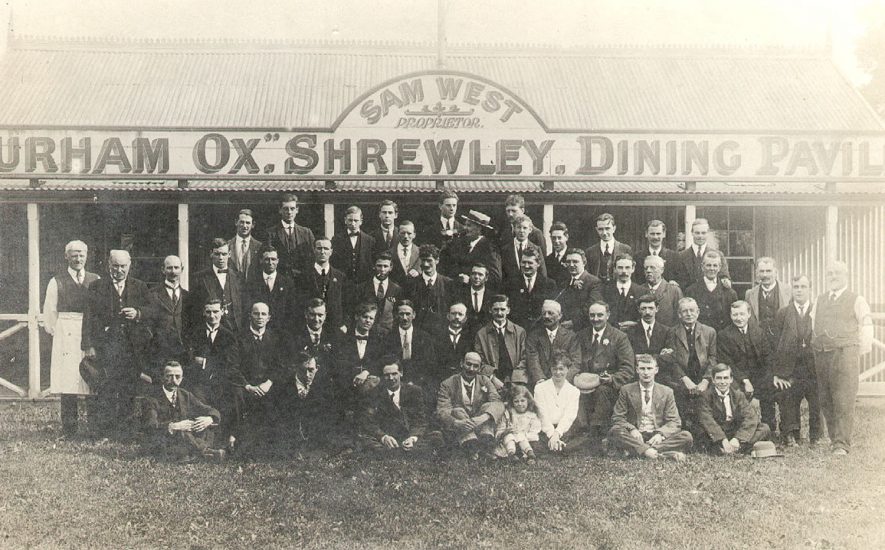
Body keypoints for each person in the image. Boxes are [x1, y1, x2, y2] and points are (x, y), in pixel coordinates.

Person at [82, 249, 152, 438]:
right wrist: (88, 345)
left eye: (123, 266)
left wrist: (138, 313)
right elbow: (88, 317)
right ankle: (105, 430)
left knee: (129, 387)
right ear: (108, 265)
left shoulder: (140, 286)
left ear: (129, 266)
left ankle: (126, 430)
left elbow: (151, 310)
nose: (119, 270)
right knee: (106, 387)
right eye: (115, 266)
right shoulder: (97, 287)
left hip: (132, 347)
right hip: (106, 346)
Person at [812, 261, 874, 455]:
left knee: (844, 399)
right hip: (822, 354)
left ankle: (842, 444)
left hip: (845, 354)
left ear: (846, 275)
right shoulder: (820, 299)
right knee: (826, 398)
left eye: (837, 273)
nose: (833, 276)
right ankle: (834, 439)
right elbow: (813, 324)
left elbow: (866, 326)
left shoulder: (857, 299)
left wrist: (855, 351)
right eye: (830, 273)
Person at [42, 240, 100, 436]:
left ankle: (94, 428)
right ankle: (69, 429)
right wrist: (57, 333)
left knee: (92, 377)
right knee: (68, 380)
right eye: (74, 255)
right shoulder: (56, 281)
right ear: (66, 256)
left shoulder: (95, 279)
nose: (78, 258)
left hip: (89, 331)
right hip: (66, 333)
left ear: (87, 256)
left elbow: (100, 311)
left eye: (81, 254)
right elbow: (50, 312)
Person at [608, 354, 693, 460]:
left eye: (649, 368)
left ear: (656, 370)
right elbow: (617, 418)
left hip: (655, 436)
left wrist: (661, 435)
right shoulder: (626, 390)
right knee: (616, 431)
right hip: (635, 436)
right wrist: (632, 429)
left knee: (686, 436)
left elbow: (674, 422)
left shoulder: (666, 392)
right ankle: (661, 453)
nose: (646, 373)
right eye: (642, 368)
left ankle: (641, 451)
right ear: (637, 370)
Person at [575, 301, 636, 448]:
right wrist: (575, 377)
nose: (595, 319)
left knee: (602, 391)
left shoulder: (619, 337)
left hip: (609, 386)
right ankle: (579, 432)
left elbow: (628, 368)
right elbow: (575, 361)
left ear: (608, 315)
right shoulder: (581, 335)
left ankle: (595, 434)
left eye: (600, 315)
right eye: (592, 315)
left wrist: (612, 379)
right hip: (585, 382)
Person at [229, 302, 283, 455]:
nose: (260, 317)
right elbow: (232, 367)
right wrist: (248, 386)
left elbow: (280, 366)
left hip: (266, 386)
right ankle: (236, 440)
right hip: (246, 386)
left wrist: (268, 383)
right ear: (249, 316)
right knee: (236, 394)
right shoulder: (239, 338)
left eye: (263, 314)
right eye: (256, 313)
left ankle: (273, 444)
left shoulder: (275, 338)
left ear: (269, 318)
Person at [772, 274, 821, 446]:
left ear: (810, 289)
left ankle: (816, 436)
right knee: (788, 398)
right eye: (796, 287)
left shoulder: (817, 311)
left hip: (812, 368)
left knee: (816, 401)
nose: (799, 290)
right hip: (790, 369)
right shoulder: (783, 313)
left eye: (803, 287)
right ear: (792, 289)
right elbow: (775, 344)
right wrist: (778, 374)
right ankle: (790, 434)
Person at [141, 361, 224, 461]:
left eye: (177, 377)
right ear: (162, 377)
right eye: (169, 376)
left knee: (203, 425)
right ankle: (205, 453)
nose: (174, 380)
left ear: (182, 378)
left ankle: (193, 454)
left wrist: (209, 418)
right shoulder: (151, 398)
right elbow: (151, 427)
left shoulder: (185, 395)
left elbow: (211, 410)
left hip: (185, 441)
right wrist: (173, 426)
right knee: (182, 433)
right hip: (165, 440)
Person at [184, 299, 239, 447]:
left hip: (221, 382)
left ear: (222, 312)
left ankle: (223, 441)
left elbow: (230, 363)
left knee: (228, 401)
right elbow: (189, 359)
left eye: (215, 311)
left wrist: (205, 362)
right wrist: (211, 363)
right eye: (208, 311)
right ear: (203, 312)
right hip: (199, 382)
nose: (212, 315)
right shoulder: (195, 333)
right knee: (197, 401)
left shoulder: (229, 335)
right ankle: (203, 441)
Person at [657, 297, 717, 429]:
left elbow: (713, 358)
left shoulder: (709, 332)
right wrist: (685, 379)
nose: (689, 314)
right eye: (684, 311)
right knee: (678, 395)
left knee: (707, 399)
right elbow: (671, 360)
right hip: (681, 377)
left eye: (692, 310)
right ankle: (683, 430)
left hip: (703, 377)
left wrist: (706, 380)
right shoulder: (672, 332)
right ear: (679, 314)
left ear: (698, 312)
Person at [717, 300, 776, 432]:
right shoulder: (724, 335)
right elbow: (728, 364)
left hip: (759, 378)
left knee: (768, 388)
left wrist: (757, 395)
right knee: (735, 394)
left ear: (749, 314)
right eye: (735, 315)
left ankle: (769, 431)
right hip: (738, 379)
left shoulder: (759, 333)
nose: (739, 318)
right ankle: (740, 430)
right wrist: (745, 380)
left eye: (742, 314)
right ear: (731, 316)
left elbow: (768, 362)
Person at [436, 351, 505, 459]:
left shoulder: (484, 381)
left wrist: (483, 417)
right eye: (468, 364)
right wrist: (457, 422)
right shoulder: (448, 383)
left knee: (488, 407)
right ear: (461, 363)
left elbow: (498, 402)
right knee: (457, 411)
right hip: (460, 425)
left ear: (480, 368)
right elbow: (442, 410)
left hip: (481, 425)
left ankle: (484, 442)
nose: (471, 369)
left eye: (475, 366)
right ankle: (472, 445)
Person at [360, 359, 437, 453]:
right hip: (387, 435)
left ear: (401, 373)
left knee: (436, 436)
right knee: (364, 439)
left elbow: (420, 419)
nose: (391, 378)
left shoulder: (414, 391)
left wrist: (413, 438)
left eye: (394, 374)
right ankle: (398, 450)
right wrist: (383, 437)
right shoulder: (374, 393)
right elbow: (369, 422)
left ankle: (405, 448)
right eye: (387, 375)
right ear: (382, 376)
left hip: (409, 434)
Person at [695, 363, 771, 454]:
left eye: (726, 378)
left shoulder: (738, 395)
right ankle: (734, 448)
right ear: (713, 380)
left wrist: (737, 439)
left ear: (731, 379)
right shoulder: (706, 396)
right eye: (719, 378)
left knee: (764, 428)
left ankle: (734, 448)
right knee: (701, 433)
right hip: (717, 432)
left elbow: (750, 417)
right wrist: (722, 439)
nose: (723, 382)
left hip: (734, 431)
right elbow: (708, 420)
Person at [273, 351, 338, 455]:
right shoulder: (285, 387)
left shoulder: (325, 388)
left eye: (311, 370)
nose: (307, 375)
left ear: (317, 368)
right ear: (296, 369)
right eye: (303, 370)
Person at [186, 238, 247, 334]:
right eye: (217, 254)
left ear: (229, 254)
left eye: (224, 254)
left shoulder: (238, 277)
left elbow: (243, 305)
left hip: (235, 331)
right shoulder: (199, 277)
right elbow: (194, 308)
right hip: (210, 331)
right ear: (211, 254)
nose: (221, 258)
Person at [147, 255, 189, 380]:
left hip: (182, 350)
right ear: (163, 270)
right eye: (169, 268)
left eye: (176, 268)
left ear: (182, 269)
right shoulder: (153, 294)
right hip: (160, 350)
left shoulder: (187, 296)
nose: (173, 272)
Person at [380, 300, 437, 391]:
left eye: (408, 314)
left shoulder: (424, 337)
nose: (405, 318)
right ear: (396, 315)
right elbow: (385, 362)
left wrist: (415, 382)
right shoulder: (388, 338)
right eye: (401, 314)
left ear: (414, 315)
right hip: (395, 383)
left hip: (420, 382)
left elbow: (430, 364)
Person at [473, 295, 528, 388]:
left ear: (508, 310)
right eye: (496, 309)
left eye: (502, 309)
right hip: (491, 381)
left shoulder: (519, 332)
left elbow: (525, 358)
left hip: (518, 380)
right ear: (490, 310)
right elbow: (479, 361)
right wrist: (492, 378)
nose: (499, 313)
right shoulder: (481, 334)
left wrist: (516, 380)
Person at [440, 209, 502, 288]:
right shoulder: (462, 244)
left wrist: (471, 280)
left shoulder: (490, 248)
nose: (465, 228)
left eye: (469, 225)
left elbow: (496, 277)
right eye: (465, 225)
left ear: (479, 229)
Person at [525, 300, 581, 386]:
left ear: (560, 316)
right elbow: (533, 360)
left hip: (564, 382)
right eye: (544, 313)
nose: (546, 316)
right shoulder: (533, 336)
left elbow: (576, 362)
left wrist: (563, 381)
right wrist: (540, 379)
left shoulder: (571, 336)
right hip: (541, 382)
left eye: (550, 313)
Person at [535, 355, 584, 453]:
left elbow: (569, 416)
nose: (558, 372)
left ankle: (556, 444)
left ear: (568, 369)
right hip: (545, 428)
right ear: (550, 369)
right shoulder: (540, 388)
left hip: (564, 430)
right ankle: (556, 444)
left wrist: (557, 433)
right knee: (537, 442)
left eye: (561, 369)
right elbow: (542, 414)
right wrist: (552, 434)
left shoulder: (574, 391)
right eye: (555, 369)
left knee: (579, 439)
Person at [299, 237, 347, 333]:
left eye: (326, 248)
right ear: (314, 250)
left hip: (335, 327)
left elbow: (345, 303)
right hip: (311, 327)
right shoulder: (303, 276)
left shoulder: (340, 276)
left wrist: (343, 323)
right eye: (319, 248)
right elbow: (300, 303)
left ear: (331, 251)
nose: (322, 252)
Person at [404, 244, 454, 334]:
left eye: (429, 260)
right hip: (418, 334)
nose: (426, 264)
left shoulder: (448, 284)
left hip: (441, 334)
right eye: (423, 260)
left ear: (437, 260)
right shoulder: (412, 284)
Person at [350, 251, 402, 336]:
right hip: (365, 333)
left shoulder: (396, 289)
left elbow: (396, 314)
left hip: (388, 334)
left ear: (391, 267)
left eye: (385, 266)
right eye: (379, 266)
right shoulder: (361, 288)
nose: (382, 270)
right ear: (374, 266)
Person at [265, 193, 316, 280]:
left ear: (297, 210)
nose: (289, 212)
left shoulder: (306, 233)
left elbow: (313, 257)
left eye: (292, 209)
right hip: (279, 280)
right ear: (280, 210)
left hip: (302, 280)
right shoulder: (271, 233)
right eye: (285, 209)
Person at [245, 245, 296, 328]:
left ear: (278, 261)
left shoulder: (287, 283)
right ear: (261, 260)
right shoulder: (252, 282)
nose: (270, 262)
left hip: (281, 330)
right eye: (267, 259)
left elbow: (291, 309)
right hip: (260, 330)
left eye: (273, 259)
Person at [685, 251, 738, 331]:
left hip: (722, 338)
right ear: (702, 267)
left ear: (719, 267)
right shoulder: (691, 291)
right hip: (700, 337)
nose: (712, 269)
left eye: (715, 265)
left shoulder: (730, 293)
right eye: (708, 265)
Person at [745, 257, 791, 347]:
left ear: (776, 272)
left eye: (768, 271)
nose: (765, 275)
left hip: (781, 344)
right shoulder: (750, 294)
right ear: (757, 273)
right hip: (759, 344)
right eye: (762, 271)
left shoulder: (788, 291)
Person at [506, 247, 556, 331]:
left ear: (538, 263)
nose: (526, 266)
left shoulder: (549, 284)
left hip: (541, 331)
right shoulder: (511, 283)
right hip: (517, 331)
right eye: (523, 262)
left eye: (530, 263)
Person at [674, 218, 730, 290]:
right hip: (688, 298)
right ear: (692, 233)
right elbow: (676, 280)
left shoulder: (718, 255)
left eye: (703, 233)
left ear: (707, 233)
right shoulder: (681, 256)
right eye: (697, 233)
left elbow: (724, 277)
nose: (700, 236)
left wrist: (726, 280)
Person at [556, 248, 604, 331]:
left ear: (584, 263)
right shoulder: (564, 283)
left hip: (583, 329)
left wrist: (573, 322)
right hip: (563, 329)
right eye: (568, 262)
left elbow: (591, 307)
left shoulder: (594, 282)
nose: (571, 265)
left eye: (575, 261)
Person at [494, 385, 542, 462]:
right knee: (509, 438)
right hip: (510, 441)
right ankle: (512, 455)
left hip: (528, 441)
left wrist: (522, 435)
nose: (519, 404)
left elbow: (534, 431)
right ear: (512, 402)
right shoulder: (508, 413)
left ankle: (530, 455)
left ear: (528, 401)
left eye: (522, 401)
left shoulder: (532, 415)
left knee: (526, 441)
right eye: (516, 401)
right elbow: (499, 430)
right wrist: (507, 431)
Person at [330, 205, 377, 284]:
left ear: (361, 221)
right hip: (343, 283)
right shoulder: (337, 240)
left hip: (363, 284)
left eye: (356, 220)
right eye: (350, 220)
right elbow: (334, 263)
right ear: (345, 220)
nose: (353, 223)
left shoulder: (370, 240)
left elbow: (371, 264)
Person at [585, 213, 632, 285]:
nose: (604, 233)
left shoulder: (625, 249)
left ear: (614, 228)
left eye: (607, 228)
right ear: (597, 230)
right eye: (601, 229)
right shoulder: (590, 252)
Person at [433, 303, 474, 385]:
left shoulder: (470, 337)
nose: (457, 317)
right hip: (441, 379)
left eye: (460, 314)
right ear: (448, 316)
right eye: (453, 314)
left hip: (464, 379)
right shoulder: (437, 335)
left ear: (465, 318)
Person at [501, 214, 547, 286]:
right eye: (519, 227)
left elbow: (542, 273)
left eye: (525, 228)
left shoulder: (536, 249)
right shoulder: (504, 249)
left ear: (530, 230)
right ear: (514, 229)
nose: (521, 231)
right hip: (511, 289)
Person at [624, 294, 674, 359]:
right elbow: (628, 356)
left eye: (651, 308)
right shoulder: (630, 331)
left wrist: (640, 356)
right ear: (639, 310)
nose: (647, 312)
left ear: (657, 309)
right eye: (643, 308)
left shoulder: (667, 332)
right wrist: (659, 356)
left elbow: (668, 357)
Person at [632, 220, 680, 285]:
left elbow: (679, 279)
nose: (655, 237)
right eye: (652, 234)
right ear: (646, 234)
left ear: (664, 234)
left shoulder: (674, 257)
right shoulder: (637, 257)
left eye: (658, 234)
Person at [601, 254, 643, 329]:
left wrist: (635, 324)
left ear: (633, 269)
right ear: (614, 269)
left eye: (627, 268)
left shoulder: (642, 292)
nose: (624, 271)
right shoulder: (605, 290)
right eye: (620, 268)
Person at [640, 254, 683, 327]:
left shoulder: (674, 291)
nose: (648, 271)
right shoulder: (639, 290)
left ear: (662, 270)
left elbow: (680, 318)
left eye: (652, 268)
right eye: (646, 268)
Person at [457, 262, 495, 337]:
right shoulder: (461, 293)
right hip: (465, 336)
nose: (476, 277)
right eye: (474, 274)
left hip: (487, 337)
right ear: (470, 276)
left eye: (480, 274)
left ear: (486, 278)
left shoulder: (492, 296)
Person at [228, 208, 263, 285]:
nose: (244, 226)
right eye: (242, 222)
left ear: (253, 225)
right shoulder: (228, 246)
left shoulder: (260, 247)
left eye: (248, 223)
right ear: (236, 222)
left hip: (251, 291)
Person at [390, 220, 421, 285]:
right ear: (398, 234)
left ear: (414, 235)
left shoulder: (421, 252)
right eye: (403, 233)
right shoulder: (389, 253)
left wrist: (418, 272)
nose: (406, 236)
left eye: (409, 233)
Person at [545, 221, 570, 285]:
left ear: (566, 237)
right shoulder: (547, 260)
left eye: (559, 238)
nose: (556, 241)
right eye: (554, 238)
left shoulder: (573, 256)